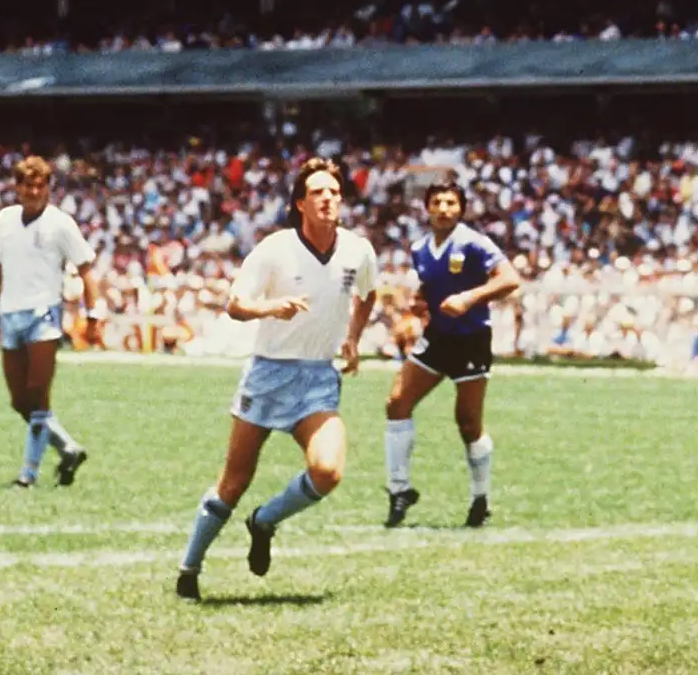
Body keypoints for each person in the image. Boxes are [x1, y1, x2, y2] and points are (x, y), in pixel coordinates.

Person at [177, 158, 378, 601]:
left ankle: (264, 520)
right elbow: (234, 304)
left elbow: (369, 292)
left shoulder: (357, 250)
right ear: (300, 203)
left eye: (334, 192)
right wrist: (271, 308)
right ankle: (189, 568)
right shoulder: (275, 248)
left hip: (318, 378)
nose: (328, 199)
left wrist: (353, 338)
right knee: (233, 481)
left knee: (327, 470)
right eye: (318, 193)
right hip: (269, 373)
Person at [383, 179, 522, 528]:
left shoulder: (474, 243)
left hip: (472, 339)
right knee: (397, 403)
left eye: (451, 203)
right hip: (438, 337)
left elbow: (510, 279)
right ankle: (400, 489)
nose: (444, 209)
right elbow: (430, 287)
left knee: (468, 423)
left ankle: (481, 497)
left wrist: (468, 299)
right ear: (427, 208)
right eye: (437, 203)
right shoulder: (419, 249)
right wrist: (417, 307)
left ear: (461, 208)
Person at [0, 156, 97, 489]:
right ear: (17, 188)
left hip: (44, 314)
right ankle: (67, 447)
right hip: (10, 313)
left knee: (39, 393)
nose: (33, 191)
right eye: (27, 185)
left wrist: (93, 314)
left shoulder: (61, 223)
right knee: (20, 401)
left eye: (40, 185)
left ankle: (28, 474)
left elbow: (86, 268)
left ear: (48, 188)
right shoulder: (6, 219)